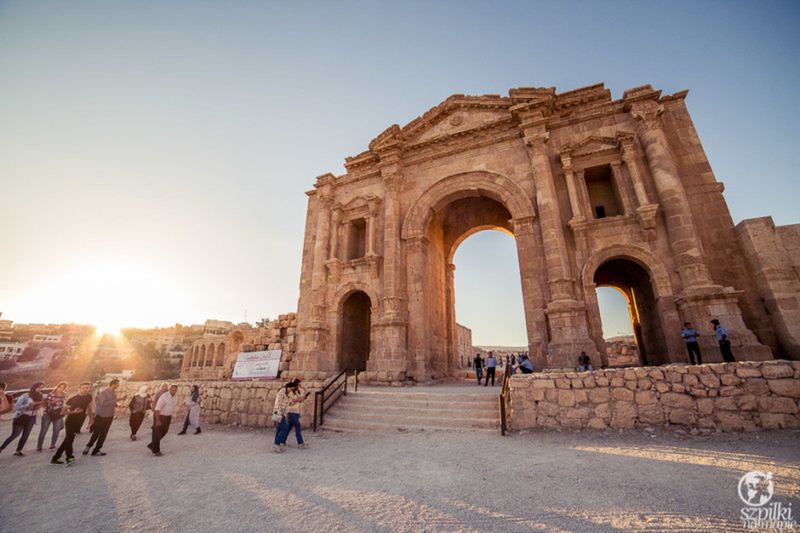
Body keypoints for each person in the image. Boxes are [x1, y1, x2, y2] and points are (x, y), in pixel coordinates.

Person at [52, 382, 94, 466]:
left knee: (68, 439)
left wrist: (91, 419)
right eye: (83, 388)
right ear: (79, 388)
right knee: (70, 439)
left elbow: (89, 407)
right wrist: (73, 412)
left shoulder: (89, 397)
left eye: (87, 388)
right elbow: (62, 412)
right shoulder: (73, 399)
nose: (85, 389)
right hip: (71, 420)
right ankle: (69, 458)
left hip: (80, 421)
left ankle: (55, 458)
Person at [0, 381, 44, 456]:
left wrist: (39, 406)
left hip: (31, 418)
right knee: (15, 434)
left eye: (42, 388)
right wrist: (28, 405)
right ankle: (1, 448)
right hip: (21, 416)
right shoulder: (25, 396)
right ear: (34, 387)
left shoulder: (40, 396)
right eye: (39, 387)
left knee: (26, 435)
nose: (40, 389)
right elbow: (17, 407)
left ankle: (18, 451)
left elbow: (39, 408)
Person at [83, 378, 119, 456]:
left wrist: (116, 404)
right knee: (96, 433)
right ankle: (88, 447)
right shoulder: (104, 393)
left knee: (104, 434)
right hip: (101, 416)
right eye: (117, 384)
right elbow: (103, 404)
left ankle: (96, 450)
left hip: (109, 416)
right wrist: (116, 400)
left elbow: (111, 403)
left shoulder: (113, 393)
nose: (118, 386)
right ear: (113, 384)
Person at [148, 384, 178, 457]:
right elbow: (157, 409)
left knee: (165, 431)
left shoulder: (174, 397)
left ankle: (152, 445)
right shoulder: (164, 397)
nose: (174, 392)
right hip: (160, 416)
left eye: (175, 390)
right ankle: (156, 451)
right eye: (173, 390)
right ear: (170, 389)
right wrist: (158, 420)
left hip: (167, 417)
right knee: (157, 433)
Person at [37, 381, 67, 451]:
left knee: (56, 430)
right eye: (60, 387)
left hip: (58, 415)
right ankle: (39, 446)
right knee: (44, 430)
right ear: (57, 387)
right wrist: (52, 403)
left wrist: (63, 412)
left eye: (63, 388)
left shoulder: (64, 395)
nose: (61, 389)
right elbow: (45, 404)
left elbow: (64, 405)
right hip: (48, 414)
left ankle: (52, 445)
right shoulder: (50, 394)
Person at [280, 380, 309, 449]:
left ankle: (282, 441)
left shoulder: (296, 392)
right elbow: (290, 402)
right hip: (291, 412)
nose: (300, 386)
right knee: (298, 426)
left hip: (296, 412)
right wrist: (297, 400)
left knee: (288, 428)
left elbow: (300, 400)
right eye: (299, 385)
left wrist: (304, 396)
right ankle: (300, 443)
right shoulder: (290, 393)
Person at [271, 382, 293, 453]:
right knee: (285, 428)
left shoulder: (286, 394)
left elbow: (286, 405)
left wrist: (286, 414)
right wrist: (281, 415)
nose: (291, 390)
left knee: (279, 428)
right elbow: (279, 404)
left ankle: (276, 444)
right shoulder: (281, 393)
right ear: (288, 387)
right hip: (278, 413)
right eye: (291, 388)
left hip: (280, 413)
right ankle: (276, 444)